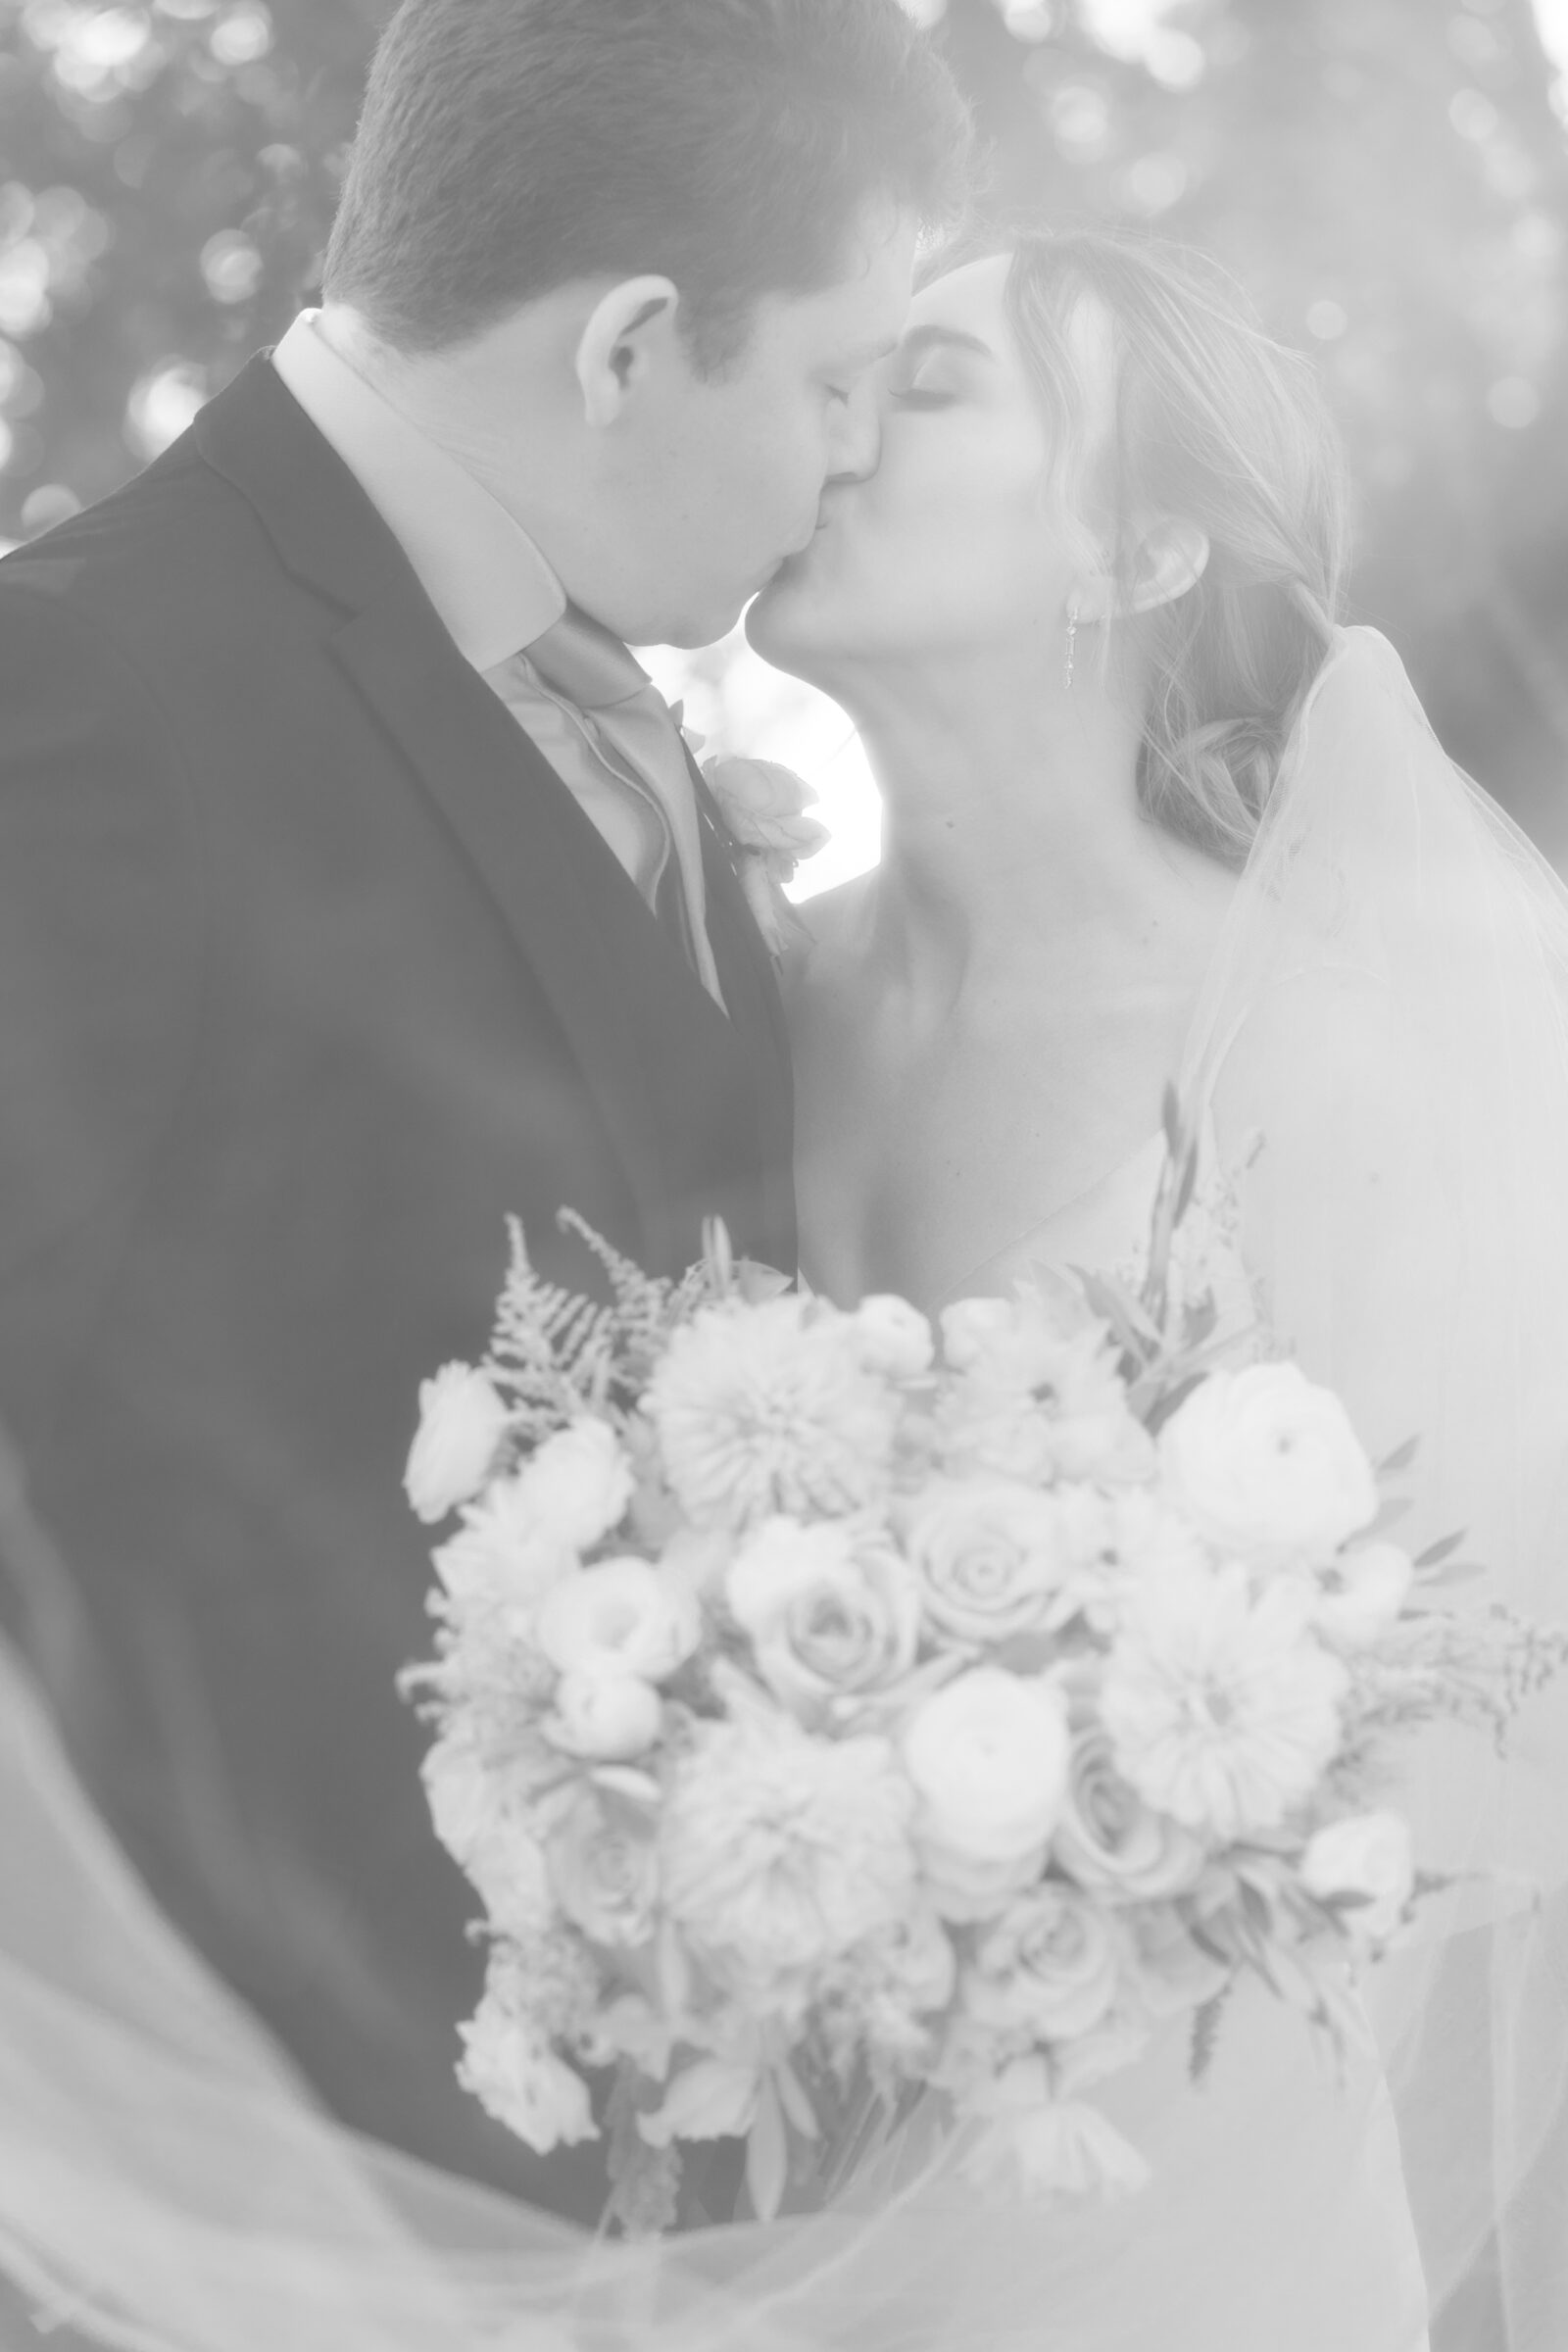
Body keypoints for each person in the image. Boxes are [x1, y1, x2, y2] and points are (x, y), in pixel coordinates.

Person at [0, 0, 967, 2223]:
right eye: (835, 380)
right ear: (629, 345)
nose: (850, 459)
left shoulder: (648, 736)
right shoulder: (75, 698)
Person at [747, 229, 1568, 2349]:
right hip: (758, 2184)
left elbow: (1487, 1834)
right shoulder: (719, 983)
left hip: (1189, 2245)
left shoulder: (1329, 1044)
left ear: (1127, 557)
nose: (820, 423)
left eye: (922, 389)